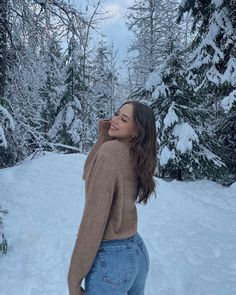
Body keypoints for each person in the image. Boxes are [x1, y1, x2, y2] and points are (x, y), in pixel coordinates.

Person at [67, 100, 157, 295]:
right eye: (116, 113)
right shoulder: (135, 153)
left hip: (111, 259)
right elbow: (88, 173)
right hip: (136, 250)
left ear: (137, 131)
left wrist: (74, 279)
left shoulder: (110, 152)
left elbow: (94, 219)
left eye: (123, 119)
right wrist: (104, 136)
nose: (114, 120)